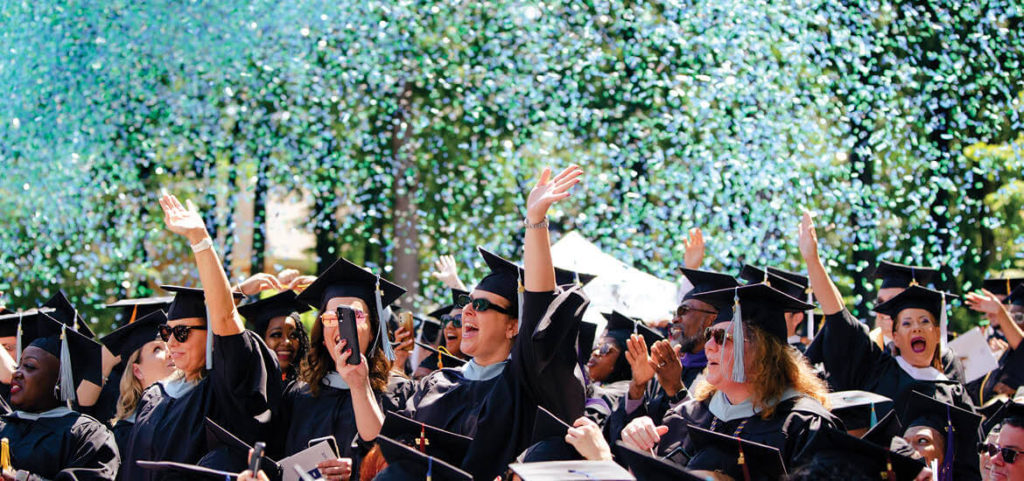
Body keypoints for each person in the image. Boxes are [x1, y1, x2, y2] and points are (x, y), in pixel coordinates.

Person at [379, 164, 589, 480]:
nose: (466, 311)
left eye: (480, 305)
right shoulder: (438, 383)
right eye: (467, 302)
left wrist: (535, 221)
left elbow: (540, 307)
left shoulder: (523, 386)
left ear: (513, 326)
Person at [120, 194, 284, 481]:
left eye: (182, 332)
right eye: (167, 332)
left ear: (213, 337)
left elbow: (225, 317)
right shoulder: (154, 396)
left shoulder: (225, 388)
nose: (171, 342)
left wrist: (200, 240)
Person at [616, 282, 838, 471]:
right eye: (709, 335)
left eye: (722, 337)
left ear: (763, 350)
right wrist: (642, 450)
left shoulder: (804, 425)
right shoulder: (691, 415)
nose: (709, 346)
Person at [798, 210, 974, 416]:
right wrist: (813, 260)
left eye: (923, 320)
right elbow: (839, 315)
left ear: (936, 332)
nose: (916, 327)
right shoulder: (879, 365)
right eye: (906, 322)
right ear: (896, 336)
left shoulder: (948, 376)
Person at [275, 256, 410, 481]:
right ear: (322, 332)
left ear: (373, 329)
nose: (342, 324)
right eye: (331, 317)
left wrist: (357, 469)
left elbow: (401, 467)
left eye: (354, 315)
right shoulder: (299, 395)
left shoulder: (400, 393)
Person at [0, 312, 119, 480]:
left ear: (60, 379)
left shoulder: (88, 435)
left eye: (29, 366)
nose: (16, 373)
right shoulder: (4, 426)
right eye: (18, 366)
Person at [102, 311, 176, 459]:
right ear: (137, 371)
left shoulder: (195, 405)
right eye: (157, 349)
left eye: (169, 346)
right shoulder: (123, 437)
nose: (170, 353)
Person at [965, 285, 1024, 406]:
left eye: (1018, 317)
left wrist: (999, 311)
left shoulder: (1018, 351)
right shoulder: (1002, 351)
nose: (1013, 321)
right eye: (1010, 316)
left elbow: (1021, 344)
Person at [237, 290, 311, 383]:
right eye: (276, 335)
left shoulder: (310, 387)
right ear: (261, 339)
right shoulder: (246, 385)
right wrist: (241, 289)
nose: (287, 342)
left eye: (293, 335)